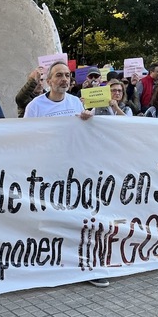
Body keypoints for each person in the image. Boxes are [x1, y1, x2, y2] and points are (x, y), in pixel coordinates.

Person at [23, 61, 107, 287]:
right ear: (48, 81)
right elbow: (26, 139)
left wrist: (89, 121)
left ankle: (86, 267)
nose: (64, 79)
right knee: (48, 219)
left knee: (79, 218)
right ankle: (49, 265)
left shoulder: (77, 103)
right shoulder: (35, 107)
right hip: (47, 171)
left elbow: (87, 135)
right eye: (59, 75)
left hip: (75, 171)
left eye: (67, 75)